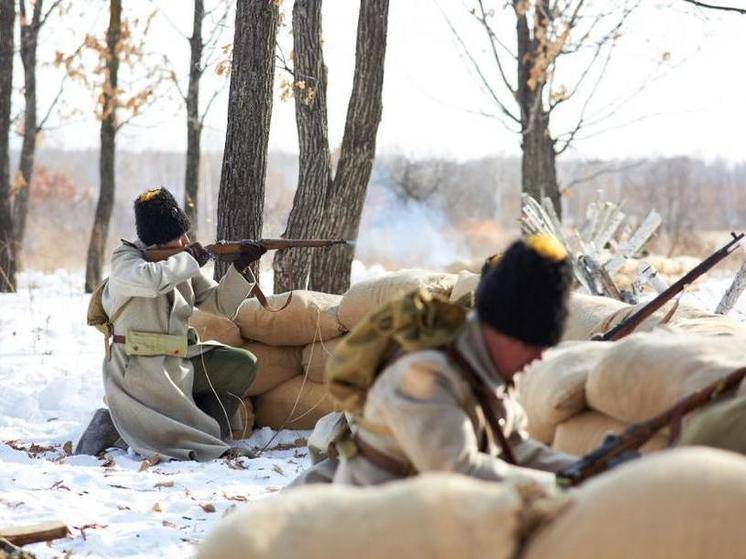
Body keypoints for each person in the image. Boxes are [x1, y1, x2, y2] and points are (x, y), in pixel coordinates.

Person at [328, 235, 578, 486]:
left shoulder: (487, 367)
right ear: (499, 330)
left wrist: (580, 470)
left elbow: (515, 448)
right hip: (375, 516)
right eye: (530, 344)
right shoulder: (422, 373)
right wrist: (557, 486)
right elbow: (458, 473)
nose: (539, 357)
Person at [75, 188, 264, 461]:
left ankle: (209, 435)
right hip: (137, 367)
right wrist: (188, 261)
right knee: (158, 422)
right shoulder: (125, 260)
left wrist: (241, 268)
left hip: (177, 362)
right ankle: (113, 426)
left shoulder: (180, 263)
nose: (187, 241)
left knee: (241, 364)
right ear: (158, 242)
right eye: (179, 237)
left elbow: (219, 304)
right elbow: (150, 281)